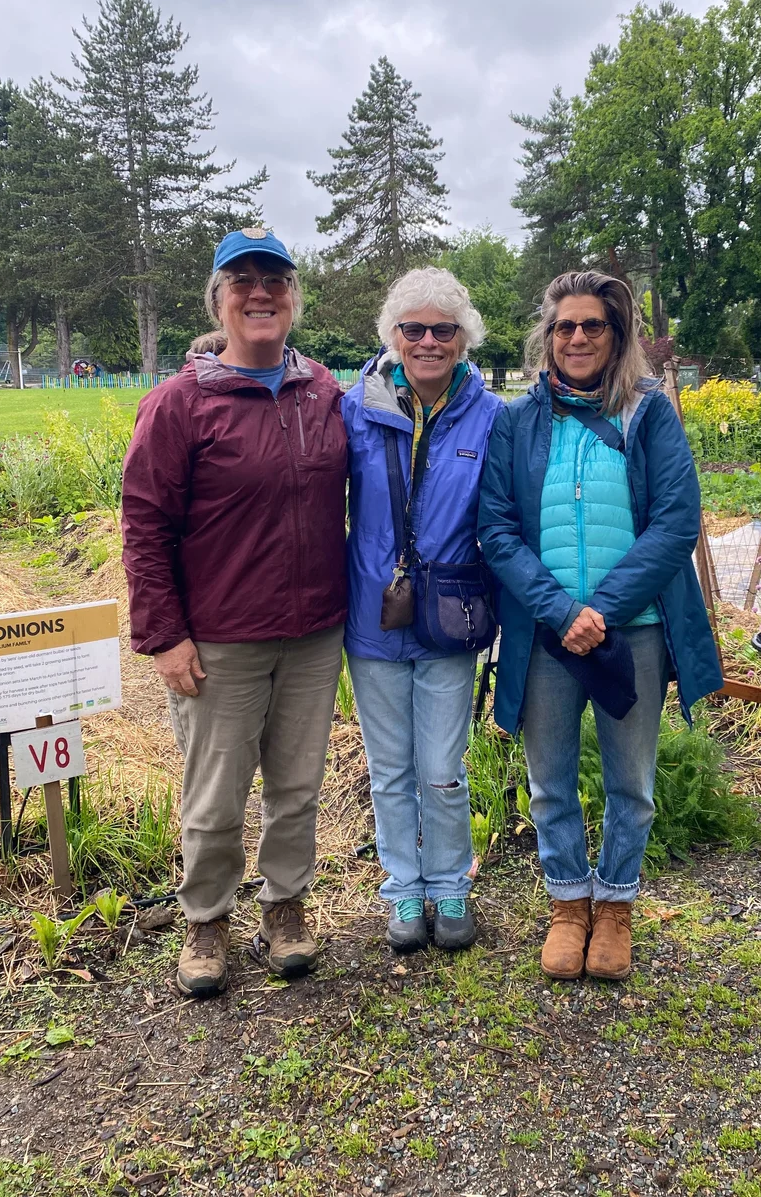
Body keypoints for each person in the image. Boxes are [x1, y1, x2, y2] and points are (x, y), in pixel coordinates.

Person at [121, 227, 348, 997]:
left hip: (315, 630)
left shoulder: (324, 394)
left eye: (275, 280)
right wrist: (165, 635)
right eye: (243, 279)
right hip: (219, 639)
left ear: (293, 299)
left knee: (297, 786)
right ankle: (207, 919)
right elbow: (145, 524)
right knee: (215, 795)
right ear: (217, 300)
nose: (261, 293)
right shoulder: (180, 406)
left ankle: (285, 909)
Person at [478, 270, 722, 982]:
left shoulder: (649, 414)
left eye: (592, 325)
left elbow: (676, 522)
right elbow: (496, 528)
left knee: (631, 781)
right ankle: (567, 903)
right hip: (547, 634)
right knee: (549, 781)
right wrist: (561, 611)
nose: (577, 337)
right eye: (564, 326)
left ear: (617, 336)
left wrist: (603, 611)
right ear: (548, 338)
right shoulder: (517, 421)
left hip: (633, 630)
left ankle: (615, 904)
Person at [341, 267, 503, 953]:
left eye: (444, 328)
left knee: (442, 766)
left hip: (449, 618)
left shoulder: (491, 415)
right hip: (372, 617)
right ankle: (402, 888)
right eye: (415, 328)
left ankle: (449, 882)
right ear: (393, 336)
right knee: (390, 769)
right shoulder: (356, 408)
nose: (429, 340)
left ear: (463, 337)